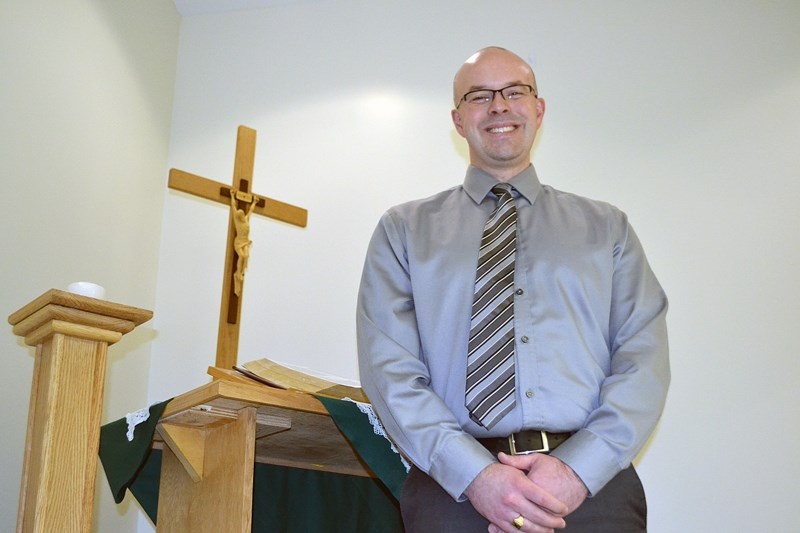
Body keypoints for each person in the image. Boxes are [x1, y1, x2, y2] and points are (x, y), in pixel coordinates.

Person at [356, 46, 669, 532]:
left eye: (514, 92)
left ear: (538, 109)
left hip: (593, 493)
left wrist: (576, 470)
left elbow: (643, 360)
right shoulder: (402, 231)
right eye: (479, 96)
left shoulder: (608, 228)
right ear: (458, 120)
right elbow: (390, 371)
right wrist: (476, 475)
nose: (499, 106)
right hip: (452, 495)